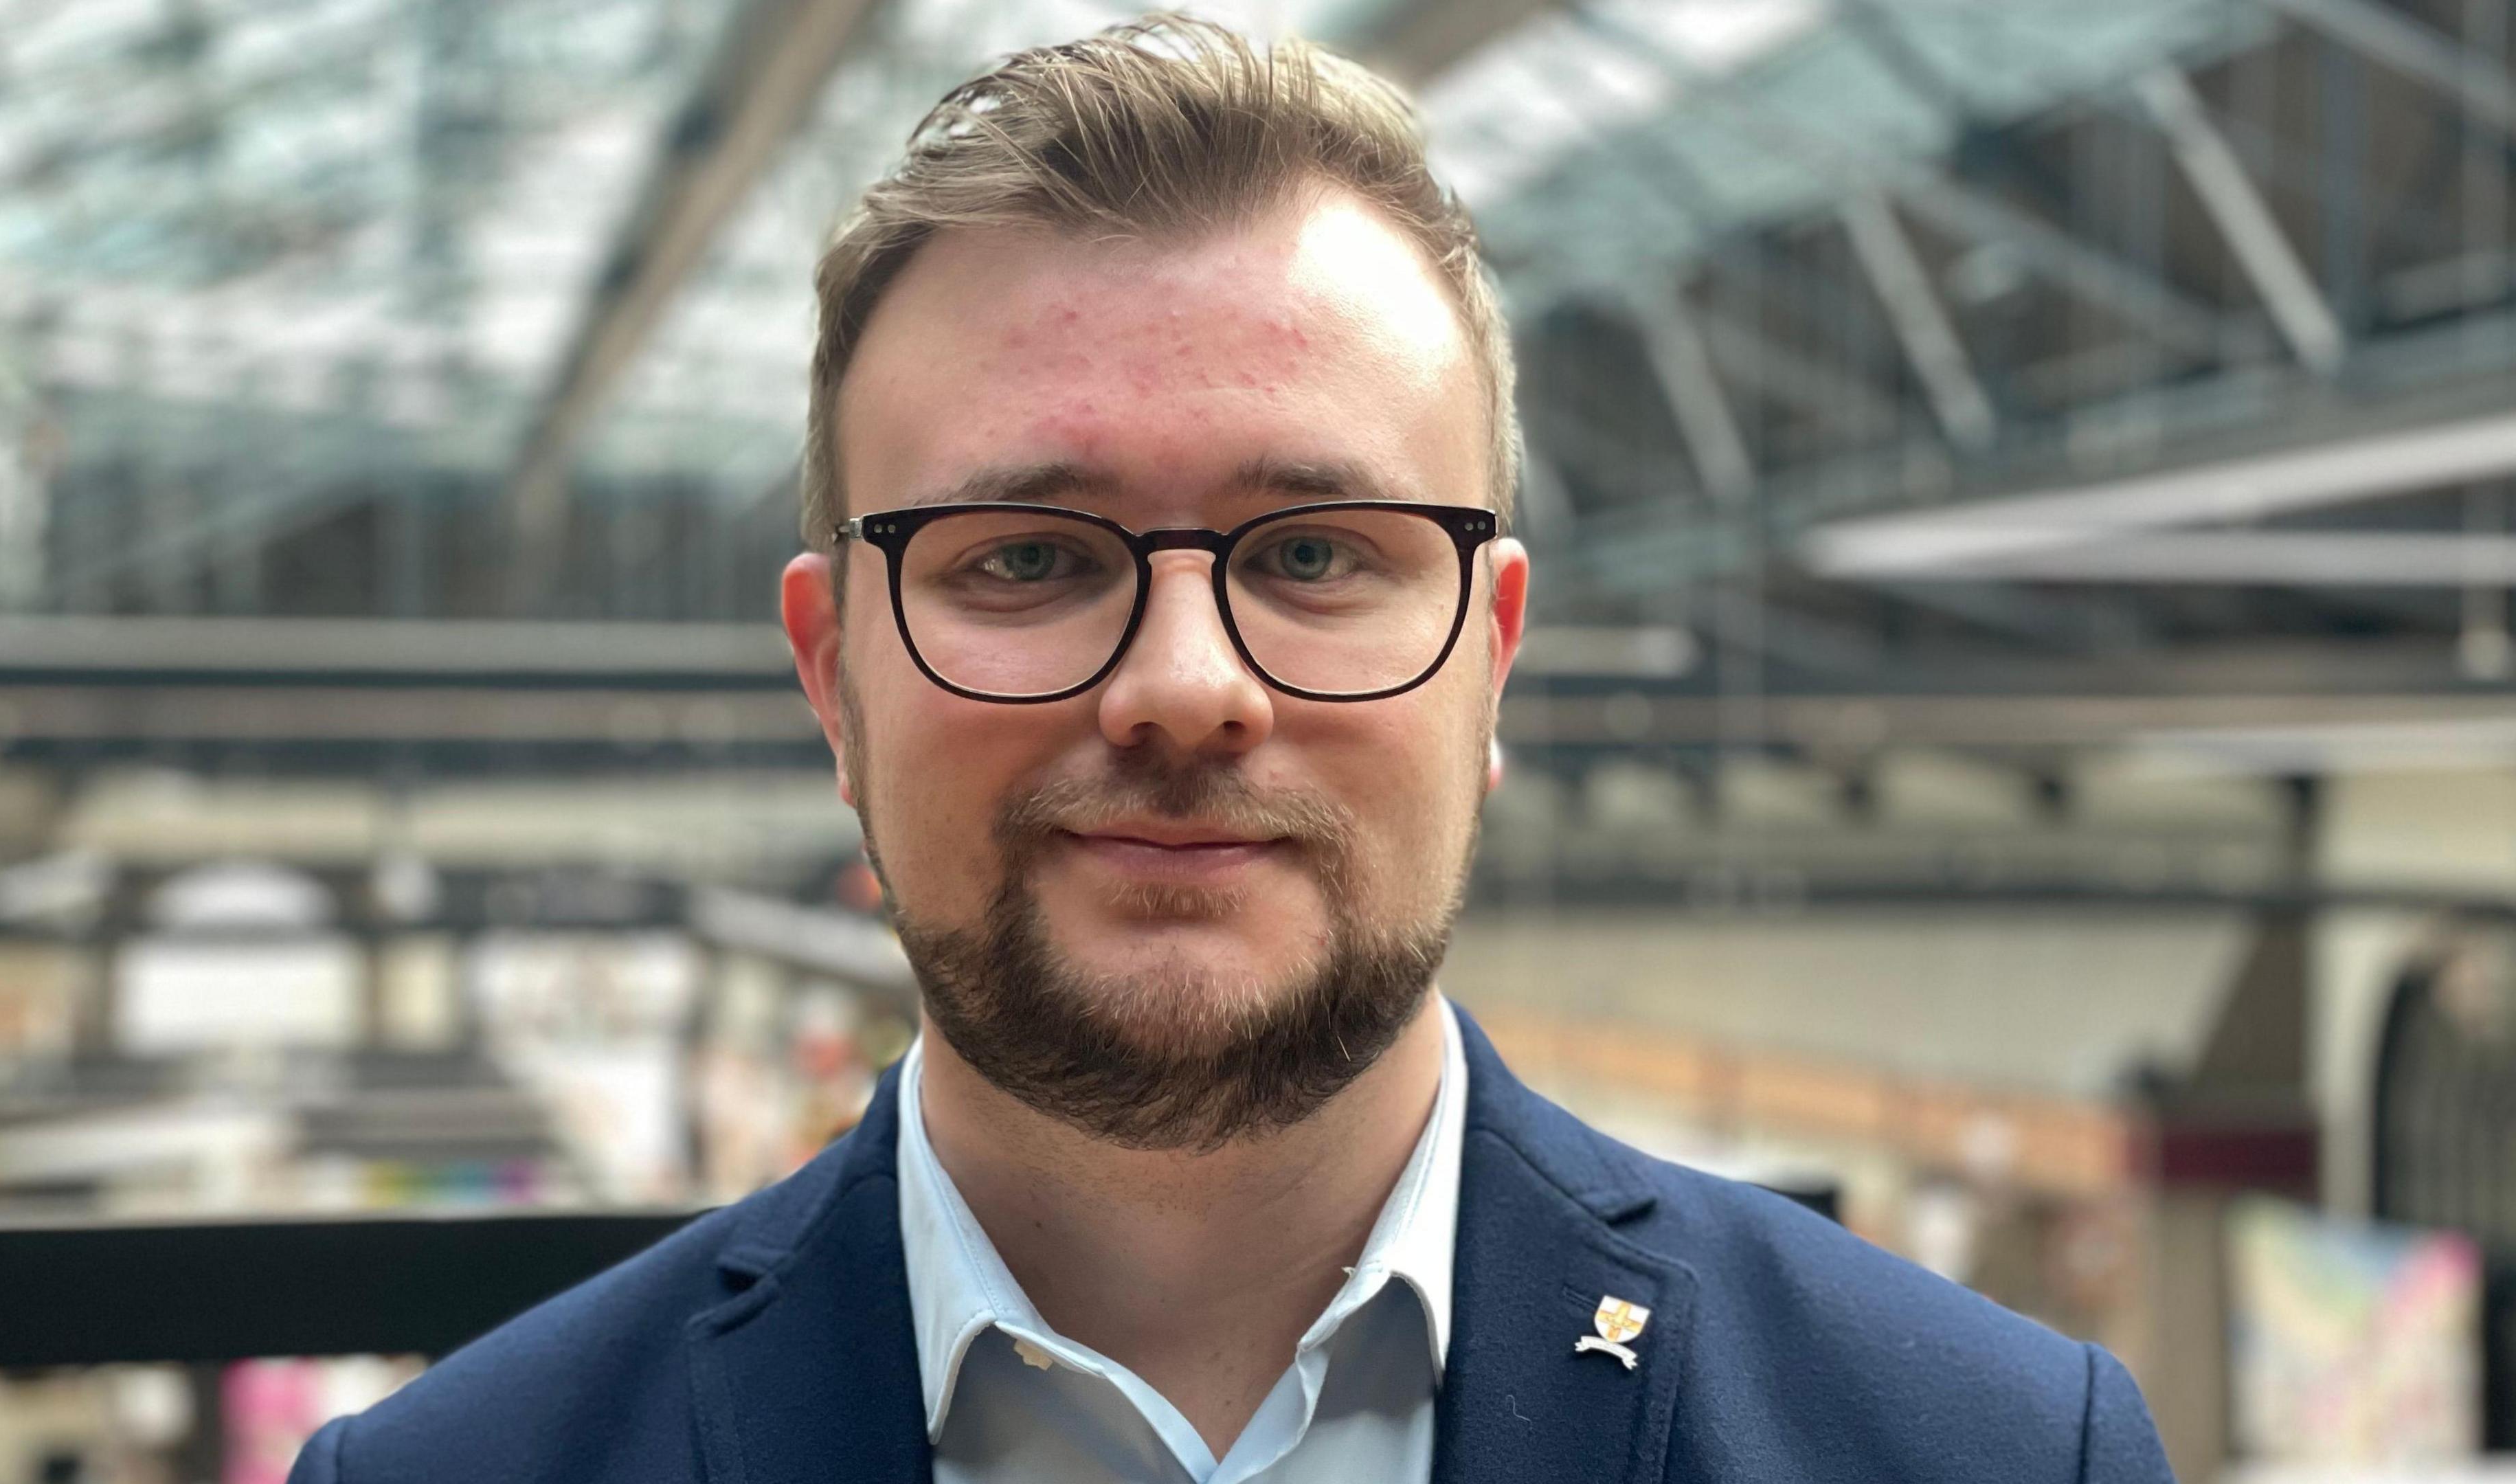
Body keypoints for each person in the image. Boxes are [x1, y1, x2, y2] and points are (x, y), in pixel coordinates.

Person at [291, 16, 2175, 1483]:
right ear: (832, 673)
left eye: (1314, 556)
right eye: (1024, 557)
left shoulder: (1988, 1449)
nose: (1185, 687)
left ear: (1492, 660)